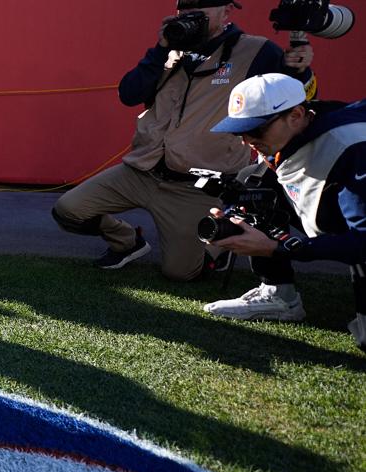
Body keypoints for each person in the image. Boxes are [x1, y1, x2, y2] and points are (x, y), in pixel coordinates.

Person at [51, 0, 316, 281]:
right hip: (142, 170)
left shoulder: (256, 50)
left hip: (196, 186)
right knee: (68, 211)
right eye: (186, 9)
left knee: (180, 272)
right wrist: (160, 49)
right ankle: (128, 242)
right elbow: (129, 94)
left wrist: (300, 70)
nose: (192, 16)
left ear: (225, 12)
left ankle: (222, 235)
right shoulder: (171, 49)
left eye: (201, 9)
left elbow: (297, 95)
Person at [202, 73, 366, 352]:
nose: (246, 140)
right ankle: (279, 293)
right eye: (240, 131)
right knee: (249, 185)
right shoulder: (299, 128)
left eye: (255, 130)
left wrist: (279, 248)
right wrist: (234, 214)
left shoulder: (352, 147)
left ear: (297, 114)